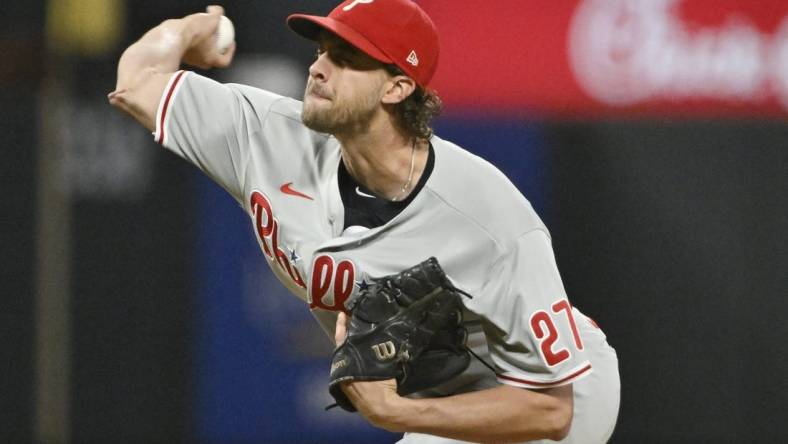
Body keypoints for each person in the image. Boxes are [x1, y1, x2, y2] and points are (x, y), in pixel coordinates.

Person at [108, 1, 620, 442]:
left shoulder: (487, 216)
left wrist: (397, 412)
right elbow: (136, 84)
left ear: (397, 87)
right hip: (450, 401)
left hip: (544, 396)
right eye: (320, 51)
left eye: (345, 58)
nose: (318, 69)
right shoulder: (265, 135)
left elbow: (554, 408)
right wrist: (193, 28)